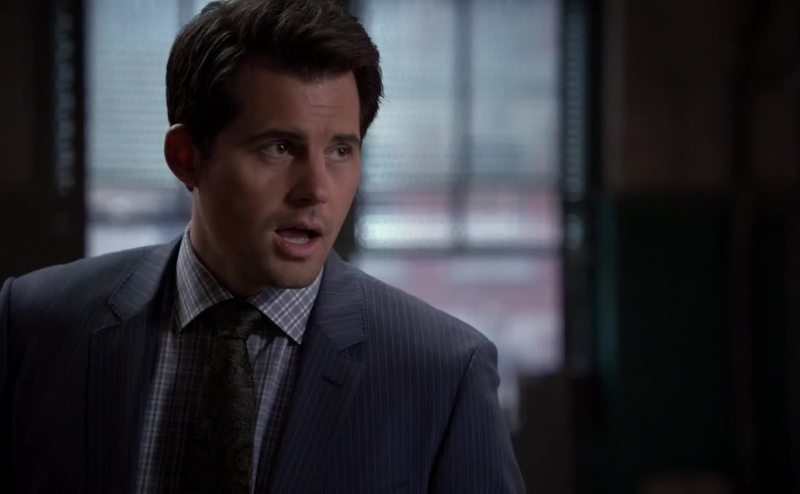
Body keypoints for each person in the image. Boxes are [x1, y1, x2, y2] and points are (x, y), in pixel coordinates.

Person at [0, 0, 525, 492]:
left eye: (341, 150)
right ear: (186, 157)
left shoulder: (443, 371)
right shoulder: (35, 322)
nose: (316, 190)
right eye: (279, 147)